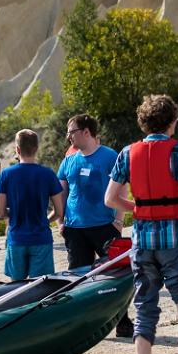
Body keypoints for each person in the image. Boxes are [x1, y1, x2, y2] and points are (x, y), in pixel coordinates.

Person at [107, 95, 178, 354]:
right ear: (172, 121)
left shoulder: (127, 153)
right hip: (175, 239)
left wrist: (138, 209)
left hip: (142, 241)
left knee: (145, 309)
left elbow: (110, 198)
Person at [0, 129, 65, 281]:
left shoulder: (6, 174)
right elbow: (59, 211)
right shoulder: (48, 174)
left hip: (16, 238)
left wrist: (15, 215)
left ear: (17, 149)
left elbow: (0, 212)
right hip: (41, 237)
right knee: (40, 288)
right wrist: (45, 220)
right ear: (36, 149)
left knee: (16, 289)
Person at [59, 114, 121, 271]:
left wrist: (119, 221)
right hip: (74, 229)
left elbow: (122, 188)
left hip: (105, 226)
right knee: (78, 277)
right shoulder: (68, 161)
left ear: (86, 132)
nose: (69, 137)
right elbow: (60, 194)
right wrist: (60, 223)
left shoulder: (110, 156)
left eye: (72, 132)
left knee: (115, 272)